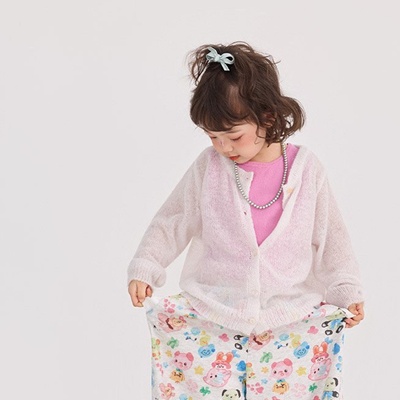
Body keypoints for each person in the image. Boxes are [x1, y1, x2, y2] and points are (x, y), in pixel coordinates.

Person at [127, 42, 365, 400]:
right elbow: (173, 219)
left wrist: (345, 288)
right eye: (213, 137)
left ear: (267, 117)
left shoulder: (307, 170)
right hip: (214, 313)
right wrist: (147, 264)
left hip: (291, 320)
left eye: (233, 136)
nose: (223, 147)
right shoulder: (209, 168)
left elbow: (332, 237)